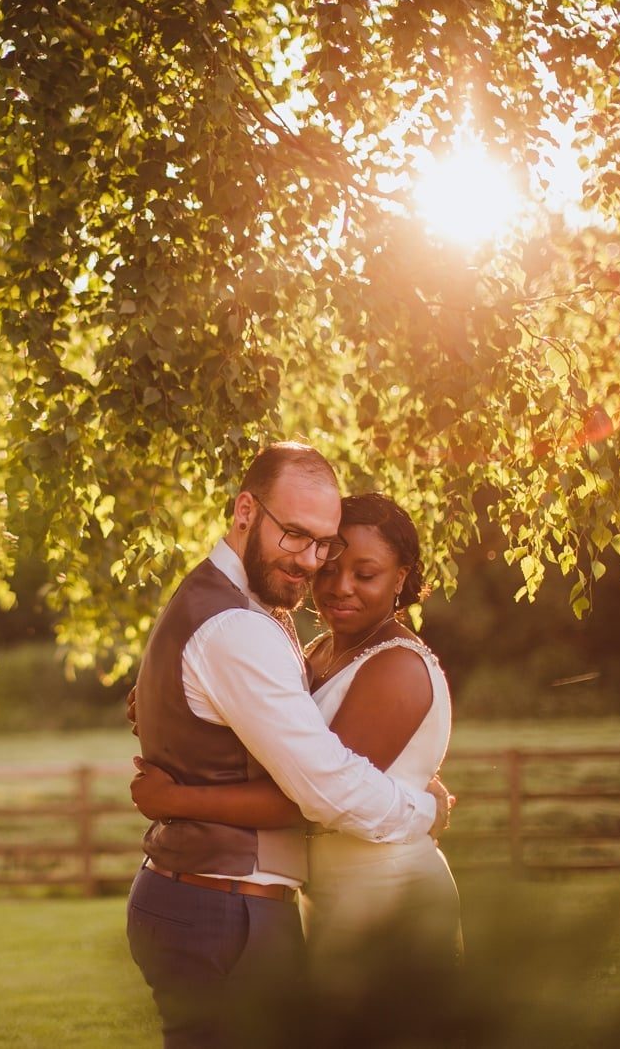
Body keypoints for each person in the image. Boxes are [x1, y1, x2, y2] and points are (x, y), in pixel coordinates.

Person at [124, 444, 451, 1049]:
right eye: (295, 536)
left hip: (272, 899)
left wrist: (178, 784)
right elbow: (321, 789)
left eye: (321, 543)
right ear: (247, 510)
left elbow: (302, 769)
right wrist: (422, 809)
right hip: (225, 907)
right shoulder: (242, 624)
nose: (311, 563)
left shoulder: (239, 607)